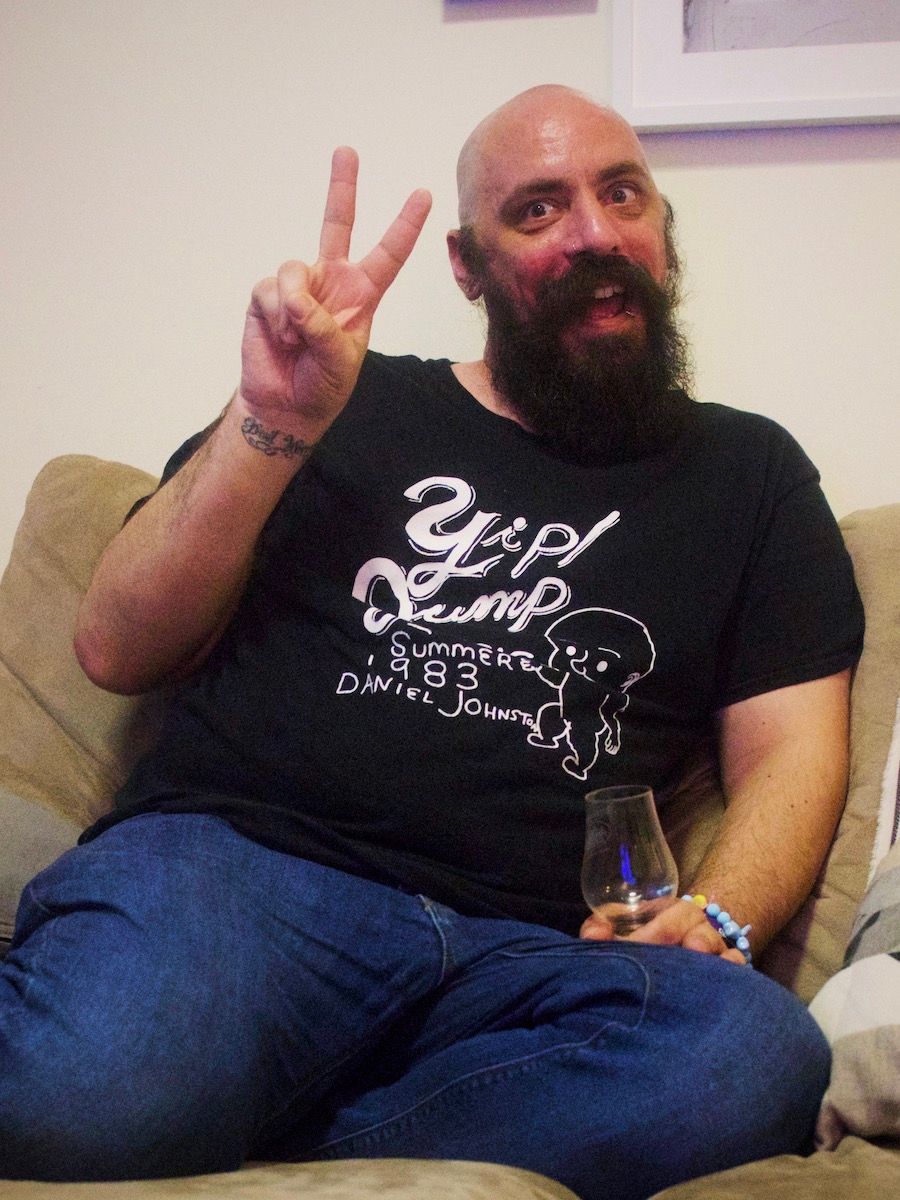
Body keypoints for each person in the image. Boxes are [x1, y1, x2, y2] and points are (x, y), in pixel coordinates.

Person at [0, 86, 863, 1197]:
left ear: (662, 228)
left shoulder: (752, 476)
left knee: (750, 1057)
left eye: (622, 194)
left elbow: (793, 750)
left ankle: (244, 1119)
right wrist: (273, 425)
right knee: (86, 1093)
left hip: (527, 960)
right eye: (538, 209)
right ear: (466, 265)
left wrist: (721, 915)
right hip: (243, 880)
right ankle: (196, 1091)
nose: (595, 233)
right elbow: (115, 649)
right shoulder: (341, 395)